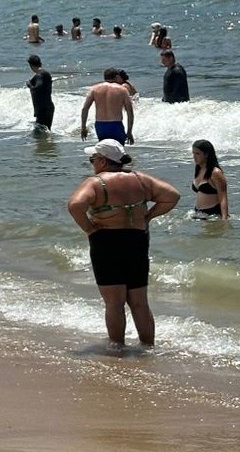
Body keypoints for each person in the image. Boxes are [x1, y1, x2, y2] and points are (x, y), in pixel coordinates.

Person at [67, 139, 180, 348]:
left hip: (107, 242)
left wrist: (89, 228)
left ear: (102, 161)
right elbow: (172, 196)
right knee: (139, 302)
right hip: (136, 240)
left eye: (92, 159)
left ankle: (117, 348)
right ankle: (148, 347)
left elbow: (75, 205)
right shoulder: (140, 179)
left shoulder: (96, 182)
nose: (92, 163)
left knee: (114, 302)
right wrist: (147, 217)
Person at [80, 69, 136, 145]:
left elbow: (85, 109)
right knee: (118, 151)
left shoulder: (94, 89)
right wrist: (129, 132)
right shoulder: (122, 90)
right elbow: (130, 112)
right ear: (116, 77)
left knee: (105, 152)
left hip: (100, 125)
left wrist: (83, 128)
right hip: (116, 125)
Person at [190, 140, 230, 220]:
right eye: (193, 153)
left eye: (197, 153)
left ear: (206, 154)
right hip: (198, 214)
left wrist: (224, 220)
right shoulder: (199, 169)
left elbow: (223, 197)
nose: (194, 156)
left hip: (213, 215)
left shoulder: (215, 173)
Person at [27, 54, 54, 131]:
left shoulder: (40, 74)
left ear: (31, 65)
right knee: (46, 131)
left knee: (39, 134)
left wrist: (29, 85)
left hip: (43, 109)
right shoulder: (44, 73)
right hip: (48, 107)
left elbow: (38, 88)